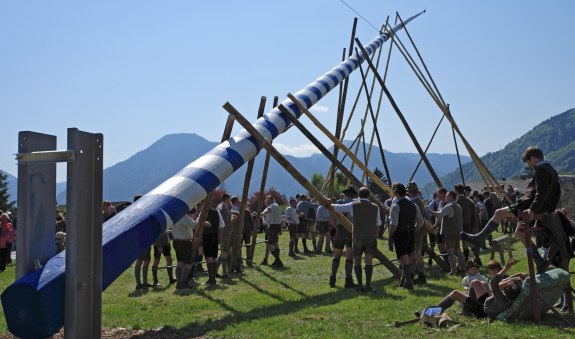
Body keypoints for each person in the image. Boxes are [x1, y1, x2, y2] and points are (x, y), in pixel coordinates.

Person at [462, 147, 561, 273]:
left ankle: (479, 238)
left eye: (528, 162)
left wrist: (533, 209)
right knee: (519, 233)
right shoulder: (552, 170)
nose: (528, 165)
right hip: (543, 208)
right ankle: (540, 262)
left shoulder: (540, 169)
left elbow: (542, 192)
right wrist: (549, 209)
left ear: (533, 158)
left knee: (498, 213)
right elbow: (556, 192)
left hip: (529, 206)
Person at [432, 258, 525, 319]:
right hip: (486, 305)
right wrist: (518, 276)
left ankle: (430, 313)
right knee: (483, 283)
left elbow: (494, 283)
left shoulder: (502, 297)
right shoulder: (509, 297)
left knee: (457, 292)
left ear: (507, 291)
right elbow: (504, 282)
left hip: (483, 312)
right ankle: (466, 306)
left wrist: (506, 267)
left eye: (507, 286)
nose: (506, 285)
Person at [331, 187, 382, 292]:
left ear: (358, 195)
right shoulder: (375, 207)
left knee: (355, 262)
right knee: (368, 262)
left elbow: (335, 208)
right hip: (370, 237)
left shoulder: (352, 205)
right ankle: (367, 285)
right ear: (369, 195)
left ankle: (358, 285)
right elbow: (378, 224)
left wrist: (327, 202)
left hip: (354, 235)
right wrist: (375, 235)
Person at [389, 183, 424, 290]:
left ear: (396, 194)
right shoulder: (414, 205)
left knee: (404, 260)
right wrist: (413, 230)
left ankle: (408, 283)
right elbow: (421, 222)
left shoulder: (396, 206)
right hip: (410, 234)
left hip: (400, 234)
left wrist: (390, 235)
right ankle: (403, 282)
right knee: (408, 258)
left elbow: (393, 224)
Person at [329, 186, 357, 288]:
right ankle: (348, 280)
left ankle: (332, 278)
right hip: (351, 230)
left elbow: (330, 218)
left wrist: (337, 227)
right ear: (354, 194)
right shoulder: (355, 204)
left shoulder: (337, 203)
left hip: (340, 230)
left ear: (344, 194)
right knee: (349, 257)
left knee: (336, 255)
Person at [432, 191, 465, 275]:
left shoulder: (449, 206)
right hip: (457, 231)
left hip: (450, 233)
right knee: (458, 250)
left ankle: (453, 271)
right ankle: (463, 268)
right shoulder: (458, 206)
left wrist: (428, 210)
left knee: (450, 252)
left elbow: (439, 214)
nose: (445, 197)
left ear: (450, 196)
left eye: (446, 196)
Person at [406, 182, 428, 284]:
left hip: (417, 231)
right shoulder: (419, 200)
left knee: (417, 255)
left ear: (410, 192)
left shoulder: (413, 203)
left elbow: (417, 219)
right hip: (421, 229)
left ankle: (421, 276)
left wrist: (413, 230)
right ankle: (412, 275)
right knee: (415, 255)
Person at [455, 184, 481, 266]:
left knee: (464, 245)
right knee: (469, 243)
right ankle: (477, 258)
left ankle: (464, 262)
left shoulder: (456, 201)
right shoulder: (470, 201)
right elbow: (474, 216)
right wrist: (475, 227)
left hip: (459, 225)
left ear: (456, 191)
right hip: (469, 224)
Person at [201, 203, 225, 285]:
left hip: (206, 236)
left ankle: (211, 279)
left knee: (208, 257)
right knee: (214, 257)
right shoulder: (216, 211)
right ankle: (213, 278)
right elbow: (222, 225)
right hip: (215, 235)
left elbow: (197, 224)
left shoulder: (202, 213)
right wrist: (219, 237)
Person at [133, 194, 153, 290]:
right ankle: (138, 284)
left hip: (146, 239)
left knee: (147, 260)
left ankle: (144, 282)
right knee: (140, 261)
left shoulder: (144, 210)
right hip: (140, 240)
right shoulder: (136, 212)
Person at [260, 195, 284, 267]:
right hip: (275, 226)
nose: (265, 201)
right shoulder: (276, 206)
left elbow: (267, 210)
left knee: (269, 244)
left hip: (272, 227)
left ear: (271, 200)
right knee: (275, 243)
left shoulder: (272, 206)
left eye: (267, 200)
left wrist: (260, 214)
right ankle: (276, 261)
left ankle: (278, 261)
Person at [217, 193, 234, 278]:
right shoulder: (223, 208)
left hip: (223, 233)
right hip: (225, 233)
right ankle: (224, 273)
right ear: (226, 199)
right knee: (225, 252)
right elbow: (225, 222)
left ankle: (215, 271)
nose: (230, 201)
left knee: (224, 252)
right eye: (229, 199)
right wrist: (233, 219)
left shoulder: (219, 206)